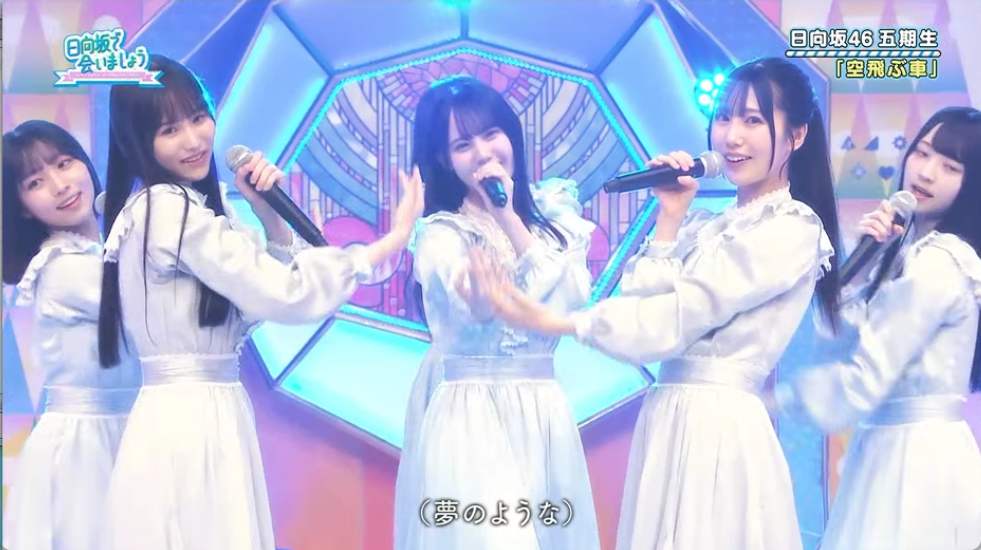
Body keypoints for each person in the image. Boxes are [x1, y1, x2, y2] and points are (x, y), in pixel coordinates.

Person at [471, 57, 842, 550]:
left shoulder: (792, 228)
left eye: (753, 120)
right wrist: (669, 216)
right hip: (667, 415)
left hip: (719, 427)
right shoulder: (705, 224)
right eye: (724, 118)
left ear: (796, 135)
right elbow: (643, 305)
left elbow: (682, 314)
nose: (732, 137)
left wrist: (562, 322)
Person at [97, 54, 422, 549]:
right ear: (138, 142)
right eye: (169, 130)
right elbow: (287, 294)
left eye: (198, 117)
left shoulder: (188, 210)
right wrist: (390, 242)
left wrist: (269, 215)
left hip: (207, 410)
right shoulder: (167, 211)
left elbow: (256, 300)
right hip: (188, 420)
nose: (193, 139)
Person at [393, 76, 600, 550]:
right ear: (444, 159)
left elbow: (571, 298)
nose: (483, 153)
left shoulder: (557, 219)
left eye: (491, 134)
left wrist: (507, 214)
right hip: (470, 413)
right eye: (463, 145)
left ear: (511, 135)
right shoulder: (442, 233)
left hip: (543, 412)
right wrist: (481, 301)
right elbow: (458, 291)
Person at [773, 106, 981, 549]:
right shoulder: (909, 251)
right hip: (889, 447)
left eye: (950, 167)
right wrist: (866, 261)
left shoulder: (941, 263)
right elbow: (838, 335)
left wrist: (781, 400)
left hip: (915, 461)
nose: (926, 172)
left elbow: (867, 376)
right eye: (922, 153)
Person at [2, 120, 141, 550]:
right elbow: (160, 311)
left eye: (64, 163)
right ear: (23, 207)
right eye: (36, 182)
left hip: (132, 431)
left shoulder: (107, 252)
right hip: (85, 449)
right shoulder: (62, 268)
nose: (60, 185)